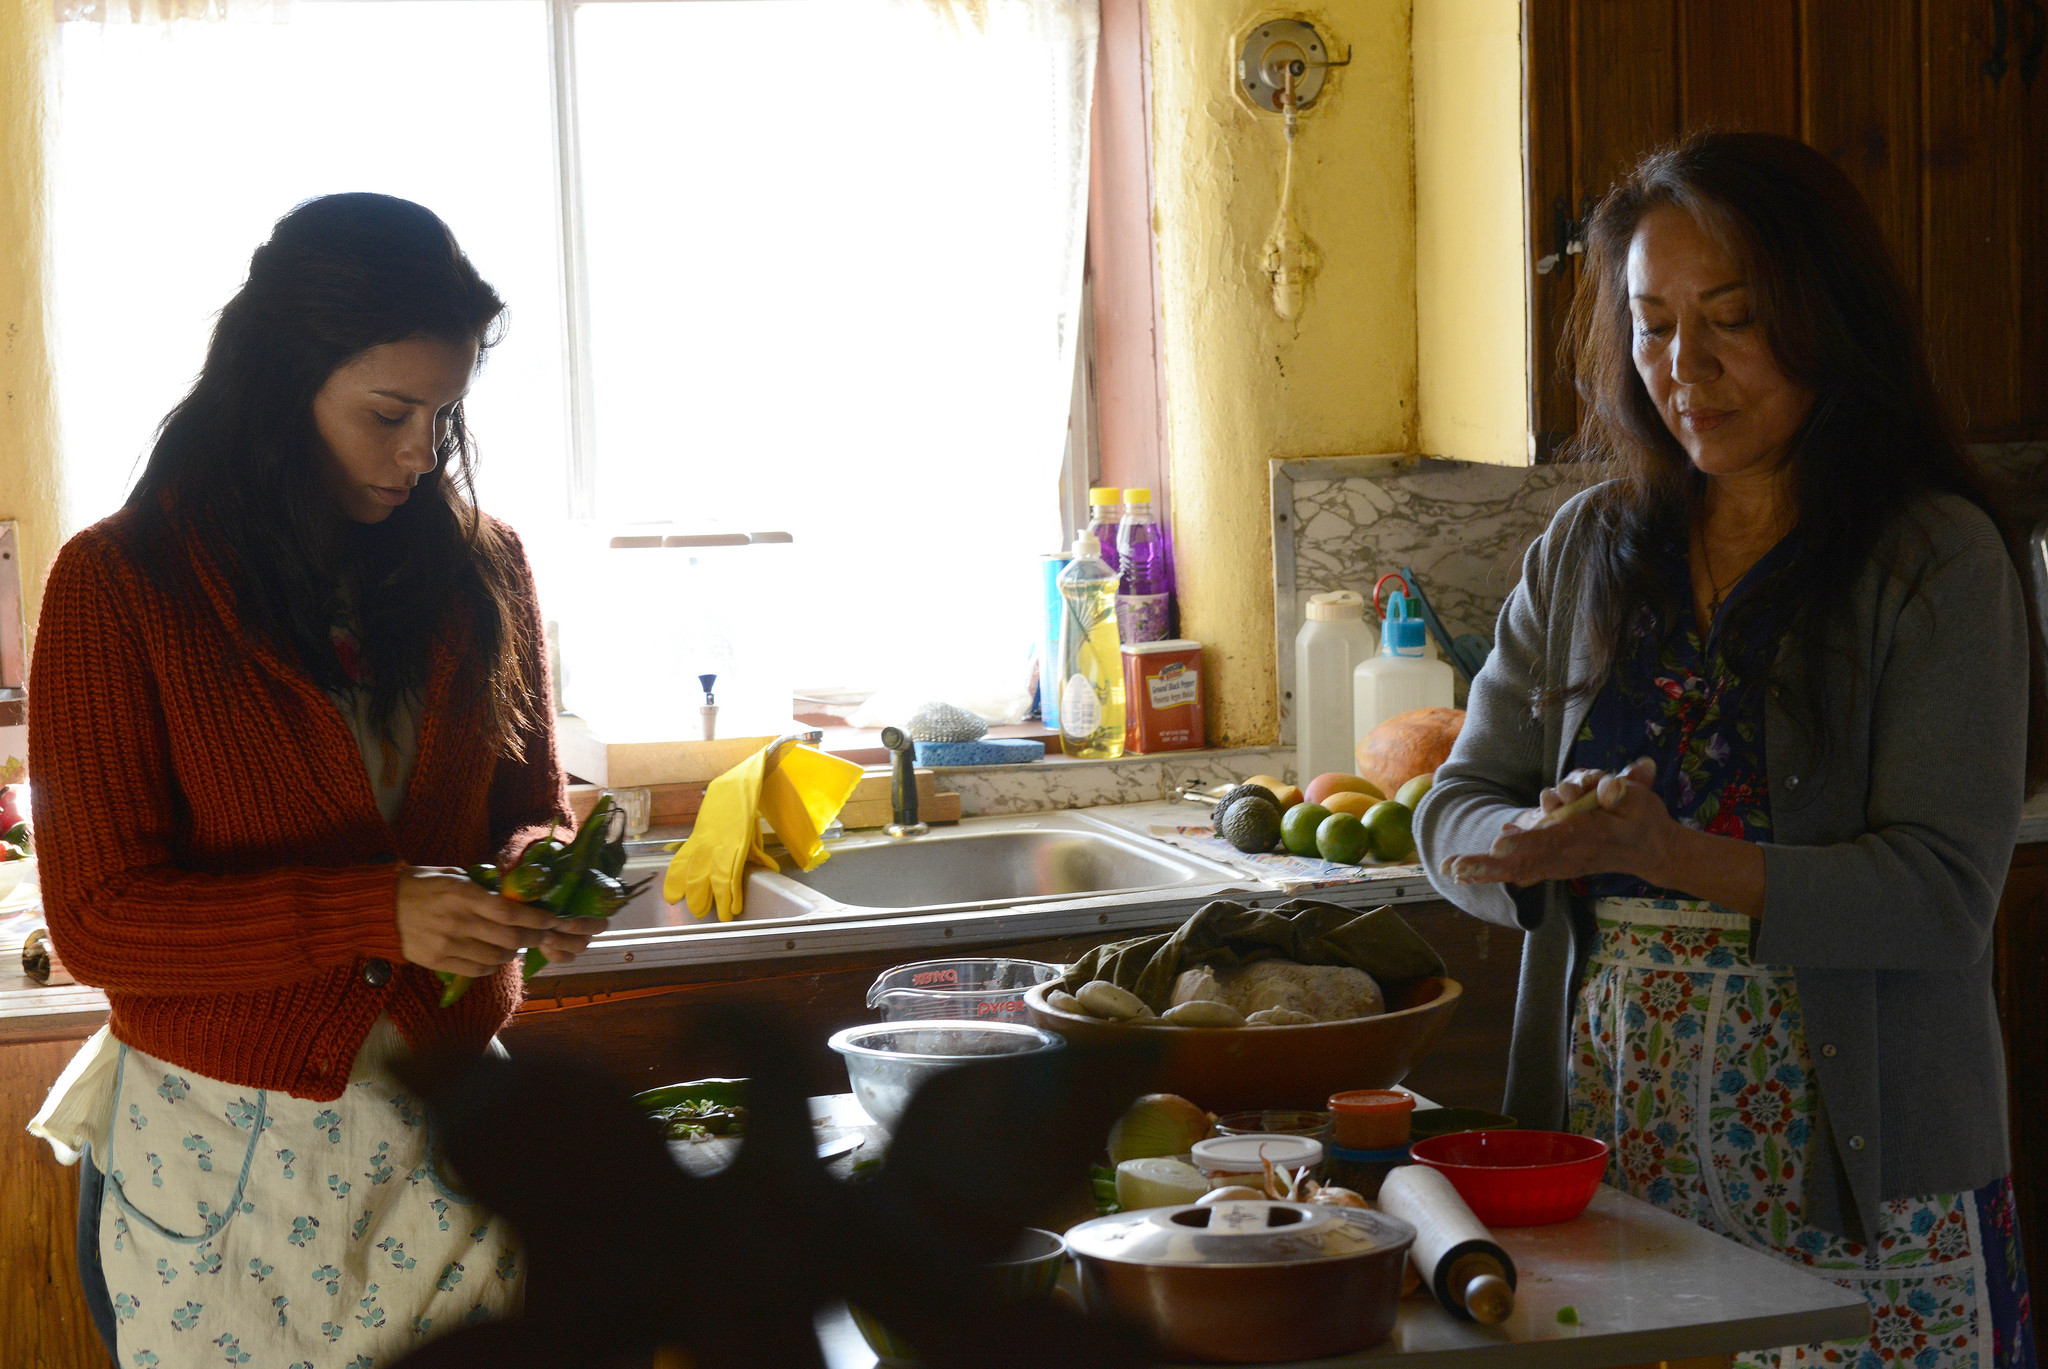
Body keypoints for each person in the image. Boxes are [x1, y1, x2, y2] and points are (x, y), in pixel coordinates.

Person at [1414, 132, 2038, 1369]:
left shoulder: (1932, 559)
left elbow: (1938, 896)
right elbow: (1454, 803)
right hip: (1611, 1165)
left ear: (1825, 319)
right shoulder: (1587, 548)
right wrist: (1520, 844)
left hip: (1858, 1193)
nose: (1681, 369)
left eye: (1731, 319)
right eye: (1650, 326)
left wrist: (1671, 854)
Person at [28, 194, 603, 1367]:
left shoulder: (480, 566)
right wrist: (373, 909)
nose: (416, 451)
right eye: (386, 412)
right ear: (277, 388)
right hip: (219, 1152)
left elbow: (523, 805)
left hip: (451, 1137)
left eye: (441, 416)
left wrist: (538, 871)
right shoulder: (118, 584)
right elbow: (98, 921)